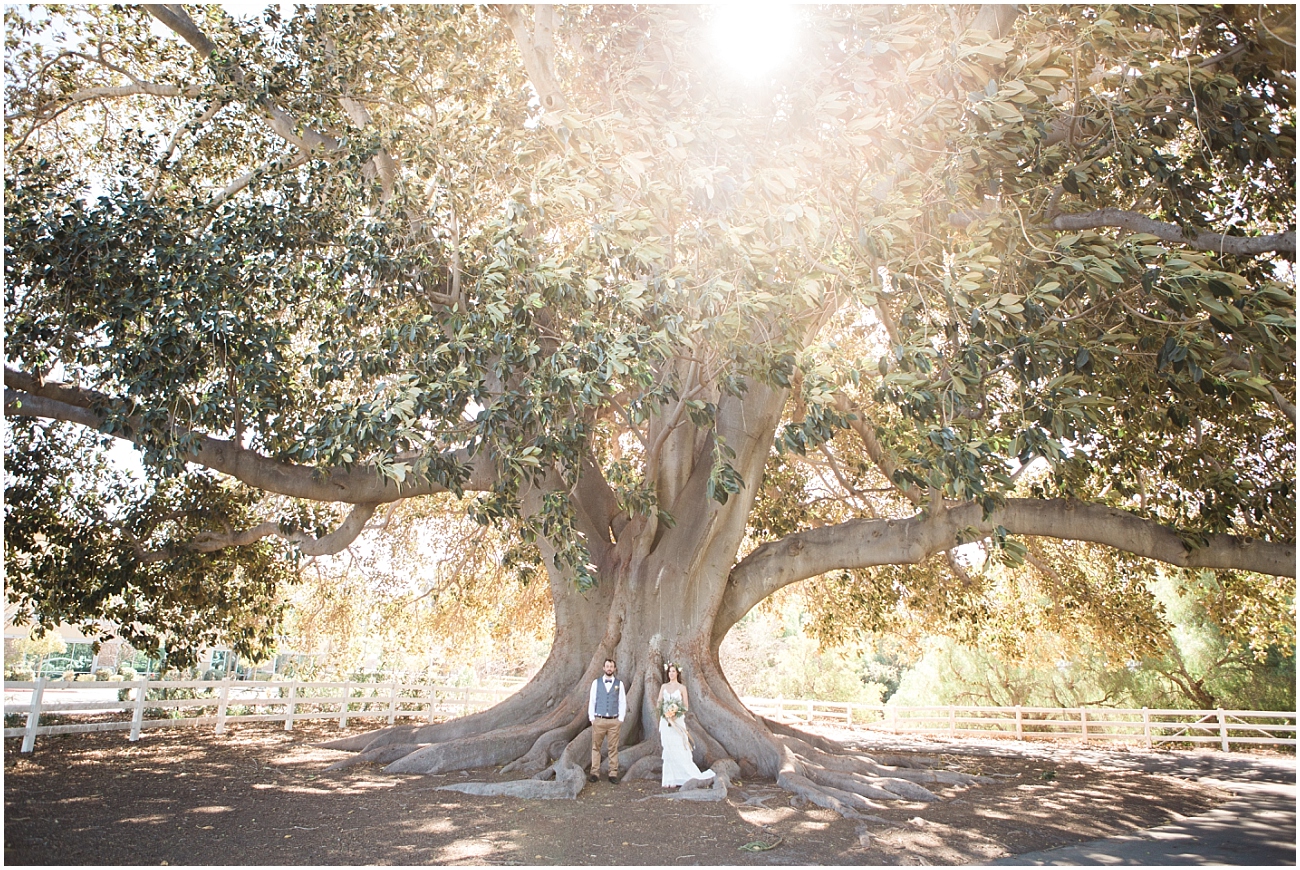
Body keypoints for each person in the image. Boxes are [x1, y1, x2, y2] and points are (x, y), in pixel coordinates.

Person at [657, 662, 715, 788]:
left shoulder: (682, 688)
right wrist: (665, 713)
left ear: (677, 673)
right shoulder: (663, 687)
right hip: (665, 721)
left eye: (673, 671)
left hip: (677, 721)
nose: (671, 673)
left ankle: (686, 776)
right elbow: (659, 703)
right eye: (669, 671)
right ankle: (671, 778)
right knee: (669, 748)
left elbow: (685, 706)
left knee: (680, 747)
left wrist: (675, 713)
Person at [587, 657, 625, 784]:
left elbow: (622, 702)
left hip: (614, 721)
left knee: (613, 748)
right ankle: (594, 772)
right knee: (596, 747)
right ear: (603, 668)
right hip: (599, 719)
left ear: (614, 669)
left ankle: (613, 773)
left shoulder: (619, 684)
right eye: (607, 666)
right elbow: (592, 701)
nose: (609, 668)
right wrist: (592, 718)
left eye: (611, 666)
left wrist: (620, 719)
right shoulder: (595, 683)